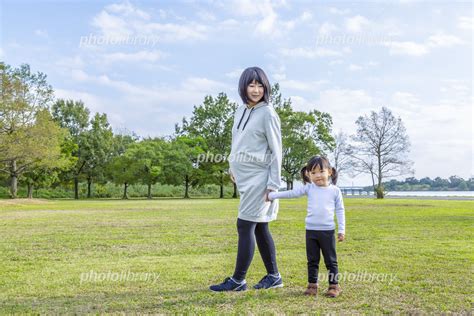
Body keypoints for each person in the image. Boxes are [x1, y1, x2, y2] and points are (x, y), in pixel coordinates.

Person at [209, 66, 283, 292]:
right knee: (260, 227)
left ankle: (238, 280)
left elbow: (276, 150)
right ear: (243, 86)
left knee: (244, 224)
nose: (256, 89)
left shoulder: (268, 113)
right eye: (251, 84)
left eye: (260, 85)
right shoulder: (239, 111)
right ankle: (274, 276)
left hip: (261, 178)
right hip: (244, 177)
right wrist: (233, 165)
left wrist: (273, 184)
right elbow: (236, 140)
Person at [267, 156, 345, 297]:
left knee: (331, 260)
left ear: (330, 172)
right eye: (313, 173)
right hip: (311, 231)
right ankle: (312, 285)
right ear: (308, 174)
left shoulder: (335, 191)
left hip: (327, 231)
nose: (317, 176)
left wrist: (342, 230)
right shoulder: (309, 188)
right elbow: (291, 193)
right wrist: (273, 195)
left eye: (321, 171)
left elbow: (340, 210)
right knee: (312, 260)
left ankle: (334, 286)